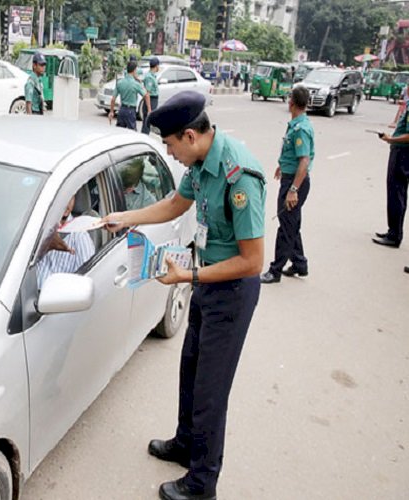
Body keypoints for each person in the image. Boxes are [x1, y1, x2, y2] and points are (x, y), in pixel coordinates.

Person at [103, 91, 266, 500]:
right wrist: (126, 217)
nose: (170, 154)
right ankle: (186, 444)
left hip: (230, 291)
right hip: (205, 282)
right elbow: (176, 204)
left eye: (171, 145)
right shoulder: (199, 163)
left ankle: (201, 483)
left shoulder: (239, 176)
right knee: (191, 370)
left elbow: (253, 261)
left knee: (212, 390)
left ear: (190, 136)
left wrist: (190, 275)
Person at [261, 86, 314, 283]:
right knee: (291, 223)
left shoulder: (301, 129)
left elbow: (304, 161)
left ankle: (275, 271)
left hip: (295, 183)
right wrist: (282, 166)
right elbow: (294, 156)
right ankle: (300, 263)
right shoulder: (296, 124)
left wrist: (293, 189)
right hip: (291, 177)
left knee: (286, 227)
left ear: (291, 102)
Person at [36, 195, 95, 288]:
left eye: (71, 197)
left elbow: (88, 279)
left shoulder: (79, 236)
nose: (66, 203)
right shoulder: (34, 230)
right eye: (61, 197)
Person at [373, 99, 409, 248]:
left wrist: (390, 139)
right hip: (400, 151)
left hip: (403, 153)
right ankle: (393, 231)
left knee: (396, 193)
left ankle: (395, 235)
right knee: (396, 193)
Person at [109, 60, 150, 131]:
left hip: (121, 110)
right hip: (131, 111)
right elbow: (146, 95)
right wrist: (149, 110)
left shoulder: (120, 82)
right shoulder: (136, 84)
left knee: (119, 131)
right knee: (132, 133)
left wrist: (111, 111)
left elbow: (113, 99)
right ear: (134, 70)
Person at [141, 57, 160, 135]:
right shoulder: (149, 77)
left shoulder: (152, 76)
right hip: (150, 101)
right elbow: (147, 94)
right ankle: (144, 139)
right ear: (156, 66)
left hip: (152, 100)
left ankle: (144, 137)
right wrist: (149, 109)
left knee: (147, 123)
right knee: (147, 123)